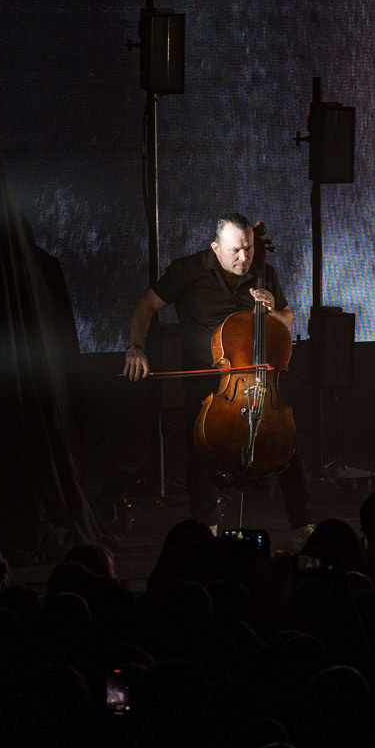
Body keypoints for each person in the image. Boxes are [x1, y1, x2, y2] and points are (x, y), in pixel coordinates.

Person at [122, 213, 313, 533]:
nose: (244, 257)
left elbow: (288, 318)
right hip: (205, 380)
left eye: (249, 249)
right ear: (215, 247)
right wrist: (136, 347)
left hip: (254, 381)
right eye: (236, 250)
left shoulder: (264, 273)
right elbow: (145, 307)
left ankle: (302, 525)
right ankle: (207, 528)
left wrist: (272, 311)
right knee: (202, 450)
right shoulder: (187, 271)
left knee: (285, 446)